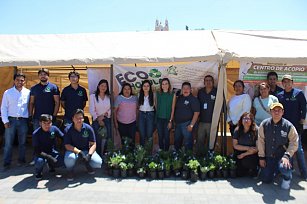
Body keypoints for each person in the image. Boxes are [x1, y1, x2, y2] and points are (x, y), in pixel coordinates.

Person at [258, 102, 298, 189]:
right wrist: (261, 157)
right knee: (265, 179)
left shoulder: (289, 126)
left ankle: (287, 178)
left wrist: (287, 156)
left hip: (282, 156)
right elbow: (260, 141)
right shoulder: (264, 124)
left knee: (284, 168)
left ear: (283, 112)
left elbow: (294, 142)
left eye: (279, 110)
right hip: (269, 156)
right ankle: (275, 171)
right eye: (274, 110)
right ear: (270, 112)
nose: (276, 112)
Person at [277, 74, 307, 180]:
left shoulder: (298, 93)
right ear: (282, 83)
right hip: (284, 127)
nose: (287, 83)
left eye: (289, 81)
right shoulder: (280, 95)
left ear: (292, 82)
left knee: (298, 150)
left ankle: (304, 173)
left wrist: (302, 119)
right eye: (284, 82)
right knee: (286, 149)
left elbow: (304, 107)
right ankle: (289, 171)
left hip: (296, 127)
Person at [29, 68, 60, 165]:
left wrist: (54, 115)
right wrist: (30, 115)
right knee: (37, 140)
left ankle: (52, 158)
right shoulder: (34, 88)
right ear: (38, 76)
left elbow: (57, 102)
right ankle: (36, 158)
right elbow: (31, 103)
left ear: (48, 75)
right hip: (37, 119)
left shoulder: (53, 87)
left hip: (50, 120)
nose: (43, 76)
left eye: (45, 74)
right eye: (41, 74)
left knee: (52, 139)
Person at [1, 73, 30, 169]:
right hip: (11, 120)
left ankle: (21, 160)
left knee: (22, 143)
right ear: (14, 81)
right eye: (18, 80)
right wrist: (5, 121)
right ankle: (6, 162)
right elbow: (3, 107)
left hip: (23, 121)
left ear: (24, 81)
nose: (19, 82)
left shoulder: (28, 92)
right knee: (8, 143)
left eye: (22, 80)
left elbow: (31, 106)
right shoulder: (8, 92)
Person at [64, 109, 102, 181]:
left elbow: (93, 144)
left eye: (81, 118)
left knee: (97, 162)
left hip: (86, 150)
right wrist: (79, 152)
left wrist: (89, 155)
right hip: (73, 151)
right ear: (73, 119)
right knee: (70, 159)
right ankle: (70, 171)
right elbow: (67, 145)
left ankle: (87, 165)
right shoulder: (68, 129)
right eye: (77, 118)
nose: (79, 120)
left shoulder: (88, 128)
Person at [32, 114, 64, 180]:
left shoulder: (54, 128)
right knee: (40, 162)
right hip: (40, 154)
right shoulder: (36, 134)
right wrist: (50, 158)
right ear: (40, 123)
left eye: (49, 123)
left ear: (51, 123)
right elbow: (37, 150)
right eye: (44, 123)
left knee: (63, 161)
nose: (47, 125)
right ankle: (38, 172)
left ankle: (51, 165)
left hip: (52, 151)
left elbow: (63, 137)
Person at [174, 82, 200, 150]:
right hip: (178, 124)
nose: (185, 90)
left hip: (187, 124)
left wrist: (191, 125)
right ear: (182, 89)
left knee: (188, 143)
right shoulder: (179, 98)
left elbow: (196, 113)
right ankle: (177, 158)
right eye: (184, 88)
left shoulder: (193, 99)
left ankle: (188, 158)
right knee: (177, 142)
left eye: (187, 88)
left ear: (190, 89)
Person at [89, 79, 111, 156]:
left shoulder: (109, 97)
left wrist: (104, 116)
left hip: (107, 118)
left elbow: (111, 109)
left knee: (108, 137)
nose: (103, 87)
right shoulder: (93, 96)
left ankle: (106, 154)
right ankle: (97, 155)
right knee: (97, 138)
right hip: (96, 119)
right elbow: (91, 109)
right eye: (102, 85)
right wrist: (98, 118)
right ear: (98, 86)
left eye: (105, 86)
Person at [232, 112, 258, 177]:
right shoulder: (237, 130)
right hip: (240, 151)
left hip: (252, 153)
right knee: (239, 173)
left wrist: (244, 154)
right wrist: (248, 148)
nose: (246, 120)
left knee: (248, 162)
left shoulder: (256, 130)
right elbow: (235, 145)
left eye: (248, 119)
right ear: (241, 120)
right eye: (244, 118)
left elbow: (257, 148)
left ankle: (253, 169)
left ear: (252, 121)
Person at [196, 75, 217, 156]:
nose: (208, 82)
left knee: (211, 141)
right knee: (200, 140)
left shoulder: (216, 91)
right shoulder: (200, 92)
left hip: (213, 122)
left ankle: (210, 157)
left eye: (210, 80)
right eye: (206, 80)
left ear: (213, 82)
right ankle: (199, 158)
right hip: (201, 121)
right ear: (204, 82)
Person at [156, 78, 176, 151]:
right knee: (160, 136)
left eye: (166, 83)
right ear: (161, 85)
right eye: (163, 84)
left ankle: (166, 152)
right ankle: (161, 151)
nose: (164, 85)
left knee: (167, 136)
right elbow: (156, 106)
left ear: (169, 85)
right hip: (159, 119)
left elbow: (173, 109)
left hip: (168, 119)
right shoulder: (158, 94)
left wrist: (170, 120)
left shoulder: (172, 95)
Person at [138, 80, 155, 146]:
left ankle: (149, 154)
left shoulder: (153, 95)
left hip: (150, 115)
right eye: (144, 86)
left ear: (150, 87)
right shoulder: (139, 95)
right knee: (142, 135)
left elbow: (156, 106)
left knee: (149, 135)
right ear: (142, 87)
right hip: (141, 115)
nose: (146, 87)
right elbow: (138, 107)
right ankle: (141, 153)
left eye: (148, 86)